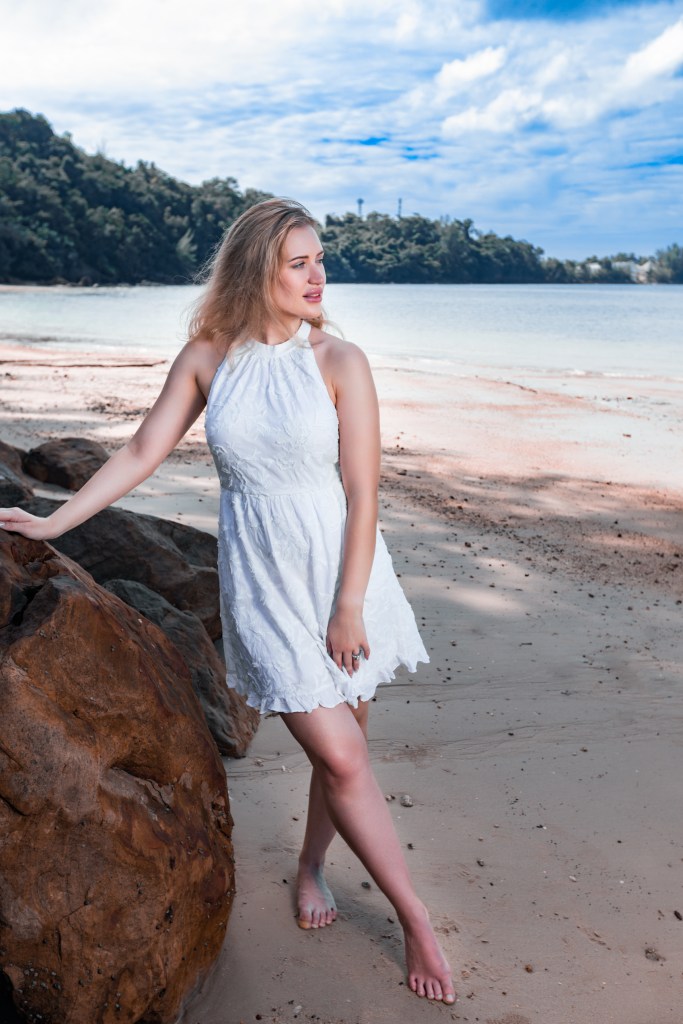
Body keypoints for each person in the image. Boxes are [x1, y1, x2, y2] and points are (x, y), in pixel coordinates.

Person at [0, 198, 455, 1005]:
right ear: (256, 269)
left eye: (320, 260)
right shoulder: (208, 358)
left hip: (342, 574)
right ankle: (414, 917)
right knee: (342, 756)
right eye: (299, 263)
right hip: (264, 583)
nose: (318, 276)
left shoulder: (339, 360)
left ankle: (311, 866)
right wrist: (54, 520)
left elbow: (362, 492)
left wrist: (349, 603)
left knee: (342, 747)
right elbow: (142, 449)